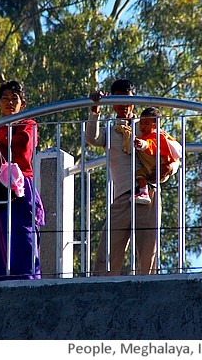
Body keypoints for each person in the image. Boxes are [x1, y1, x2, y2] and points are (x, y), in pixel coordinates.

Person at [84, 79, 179, 276]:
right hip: (122, 197)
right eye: (117, 100)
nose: (123, 105)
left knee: (147, 255)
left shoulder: (145, 126)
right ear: (111, 103)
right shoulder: (110, 131)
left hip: (148, 195)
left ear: (134, 101)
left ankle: (147, 294)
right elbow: (91, 138)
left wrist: (170, 167)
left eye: (126, 100)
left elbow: (171, 150)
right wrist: (95, 110)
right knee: (107, 254)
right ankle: (101, 295)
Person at [0, 80, 44, 281]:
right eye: (5, 98)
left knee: (24, 234)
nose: (9, 103)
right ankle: (1, 281)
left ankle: (29, 280)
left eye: (14, 99)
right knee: (0, 236)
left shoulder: (28, 125)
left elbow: (23, 149)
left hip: (22, 187)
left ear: (22, 103)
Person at [132, 107, 182, 205]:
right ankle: (144, 192)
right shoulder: (144, 135)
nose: (142, 126)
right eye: (141, 123)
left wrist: (143, 144)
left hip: (159, 165)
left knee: (141, 174)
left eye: (147, 124)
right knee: (139, 174)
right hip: (150, 168)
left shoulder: (157, 135)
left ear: (156, 125)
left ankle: (144, 192)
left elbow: (152, 144)